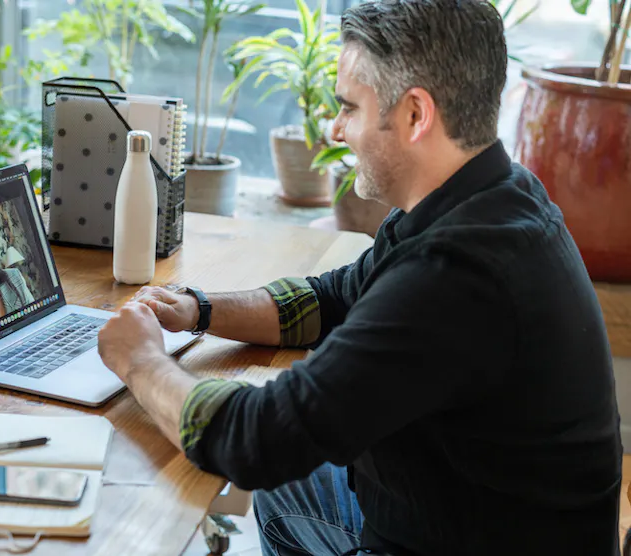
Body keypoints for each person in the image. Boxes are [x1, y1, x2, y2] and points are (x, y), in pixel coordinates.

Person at [96, 1, 622, 554]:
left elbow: (257, 441)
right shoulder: (489, 196)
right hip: (460, 511)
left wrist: (141, 361)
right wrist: (198, 308)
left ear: (416, 114)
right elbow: (331, 299)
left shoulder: (456, 275)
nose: (335, 129)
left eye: (349, 107)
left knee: (260, 461)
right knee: (289, 480)